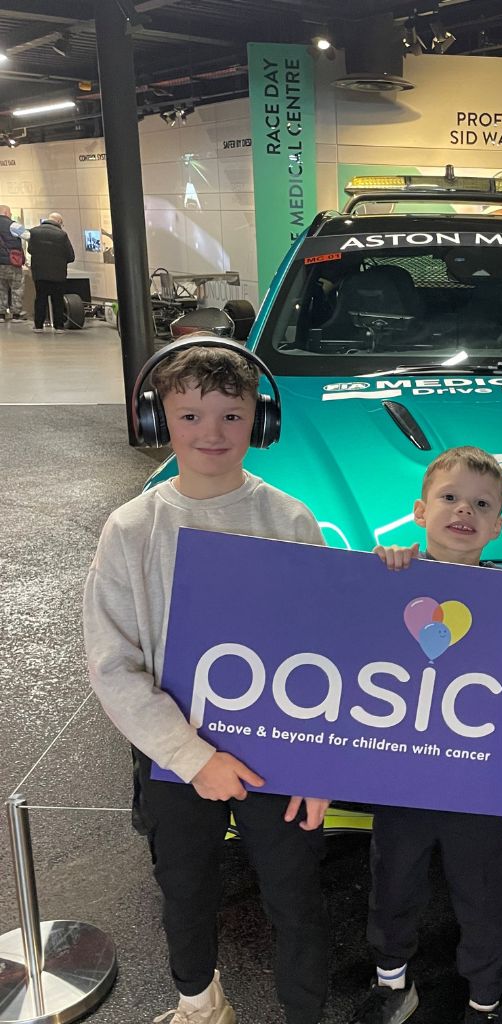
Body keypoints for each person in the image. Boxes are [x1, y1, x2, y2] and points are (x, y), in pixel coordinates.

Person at [82, 338, 331, 1024]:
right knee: (184, 889)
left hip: (279, 750)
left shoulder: (289, 521)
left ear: (261, 421)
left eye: (230, 414)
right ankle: (200, 1002)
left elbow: (324, 652)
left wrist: (317, 763)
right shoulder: (132, 528)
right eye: (189, 416)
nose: (211, 433)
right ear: (158, 421)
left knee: (294, 893)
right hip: (174, 754)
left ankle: (304, 1012)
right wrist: (194, 757)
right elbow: (113, 664)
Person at [353, 446, 502, 1024]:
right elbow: (348, 642)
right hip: (404, 776)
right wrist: (377, 569)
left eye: (481, 504)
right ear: (419, 510)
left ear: (497, 525)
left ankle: (485, 1001)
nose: (464, 510)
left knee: (483, 895)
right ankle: (392, 982)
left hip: (474, 783)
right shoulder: (392, 577)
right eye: (450, 498)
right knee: (392, 886)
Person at [27, 211, 75, 332]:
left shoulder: (34, 232)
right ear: (59, 222)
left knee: (40, 298)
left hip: (39, 273)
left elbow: (30, 250)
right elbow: (71, 256)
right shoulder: (62, 235)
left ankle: (38, 325)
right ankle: (59, 326)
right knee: (57, 299)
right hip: (58, 274)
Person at [0, 204, 25, 320]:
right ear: (5, 212)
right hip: (12, 262)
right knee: (17, 288)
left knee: (1, 289)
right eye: (10, 213)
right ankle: (16, 314)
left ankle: (1, 314)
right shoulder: (13, 225)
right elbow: (28, 235)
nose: (10, 215)